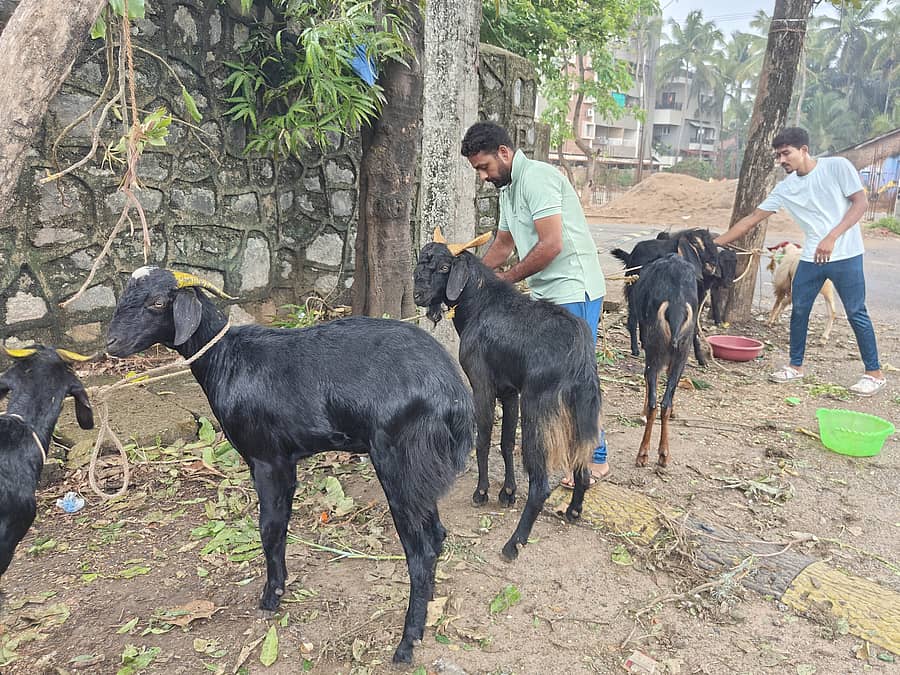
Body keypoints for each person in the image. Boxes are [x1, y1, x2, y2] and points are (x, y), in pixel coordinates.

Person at [460, 121, 610, 484]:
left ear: (504, 153)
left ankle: (595, 458)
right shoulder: (508, 190)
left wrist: (506, 280)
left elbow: (551, 244)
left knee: (576, 376)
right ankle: (566, 450)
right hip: (546, 293)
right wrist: (472, 277)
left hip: (573, 288)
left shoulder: (537, 178)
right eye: (478, 170)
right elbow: (503, 244)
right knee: (549, 380)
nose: (483, 176)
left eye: (484, 167)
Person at [714, 127, 886, 396]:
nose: (781, 160)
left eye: (786, 153)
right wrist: (712, 245)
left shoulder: (836, 167)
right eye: (778, 155)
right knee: (799, 310)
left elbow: (860, 203)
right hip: (811, 257)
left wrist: (831, 237)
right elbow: (751, 220)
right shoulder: (785, 188)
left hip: (846, 254)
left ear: (804, 150)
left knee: (855, 311)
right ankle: (795, 367)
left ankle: (874, 374)